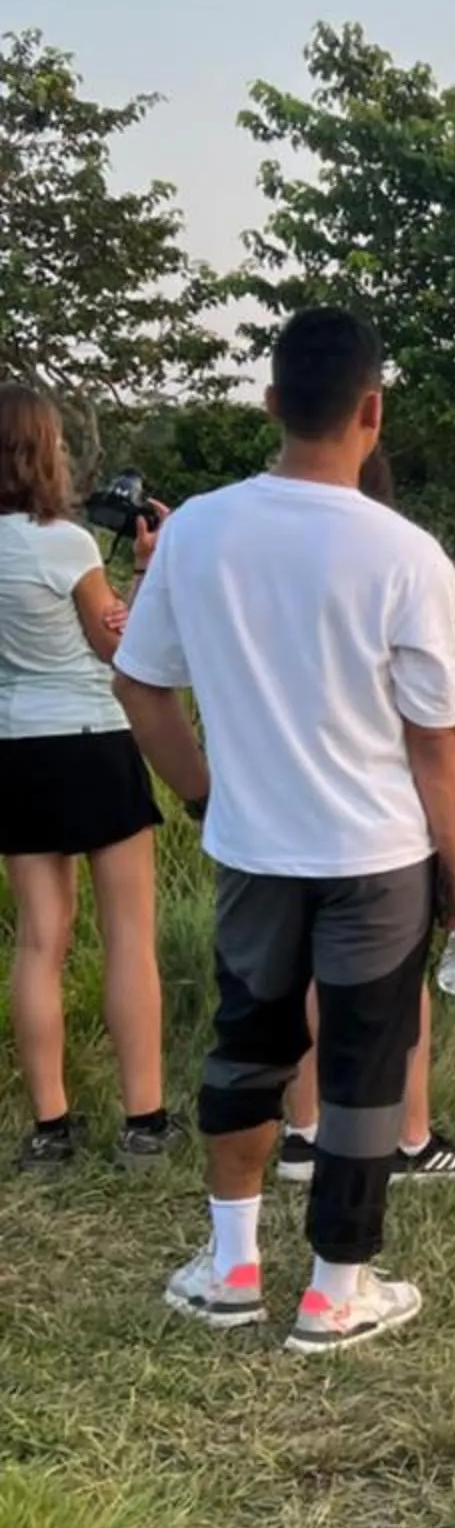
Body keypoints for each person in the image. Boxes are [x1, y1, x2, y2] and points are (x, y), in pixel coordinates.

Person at [114, 309, 455, 1353]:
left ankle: (232, 1265)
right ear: (372, 411)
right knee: (366, 1065)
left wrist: (205, 797)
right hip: (378, 856)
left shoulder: (197, 528)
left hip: (252, 848)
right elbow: (440, 739)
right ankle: (336, 1288)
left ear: (271, 402)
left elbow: (142, 685)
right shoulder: (406, 553)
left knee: (246, 1049)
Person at [280, 449, 455, 1185]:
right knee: (401, 985)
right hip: (378, 815)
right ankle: (410, 1138)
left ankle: (303, 1131)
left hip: (281, 810)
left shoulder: (272, 564)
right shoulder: (398, 560)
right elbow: (435, 729)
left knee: (301, 971)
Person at [0, 385, 177, 1168]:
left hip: (15, 746)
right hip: (92, 740)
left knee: (40, 941)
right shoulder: (67, 545)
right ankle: (144, 1121)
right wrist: (146, 574)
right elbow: (121, 651)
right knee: (128, 936)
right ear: (43, 451)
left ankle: (50, 1128)